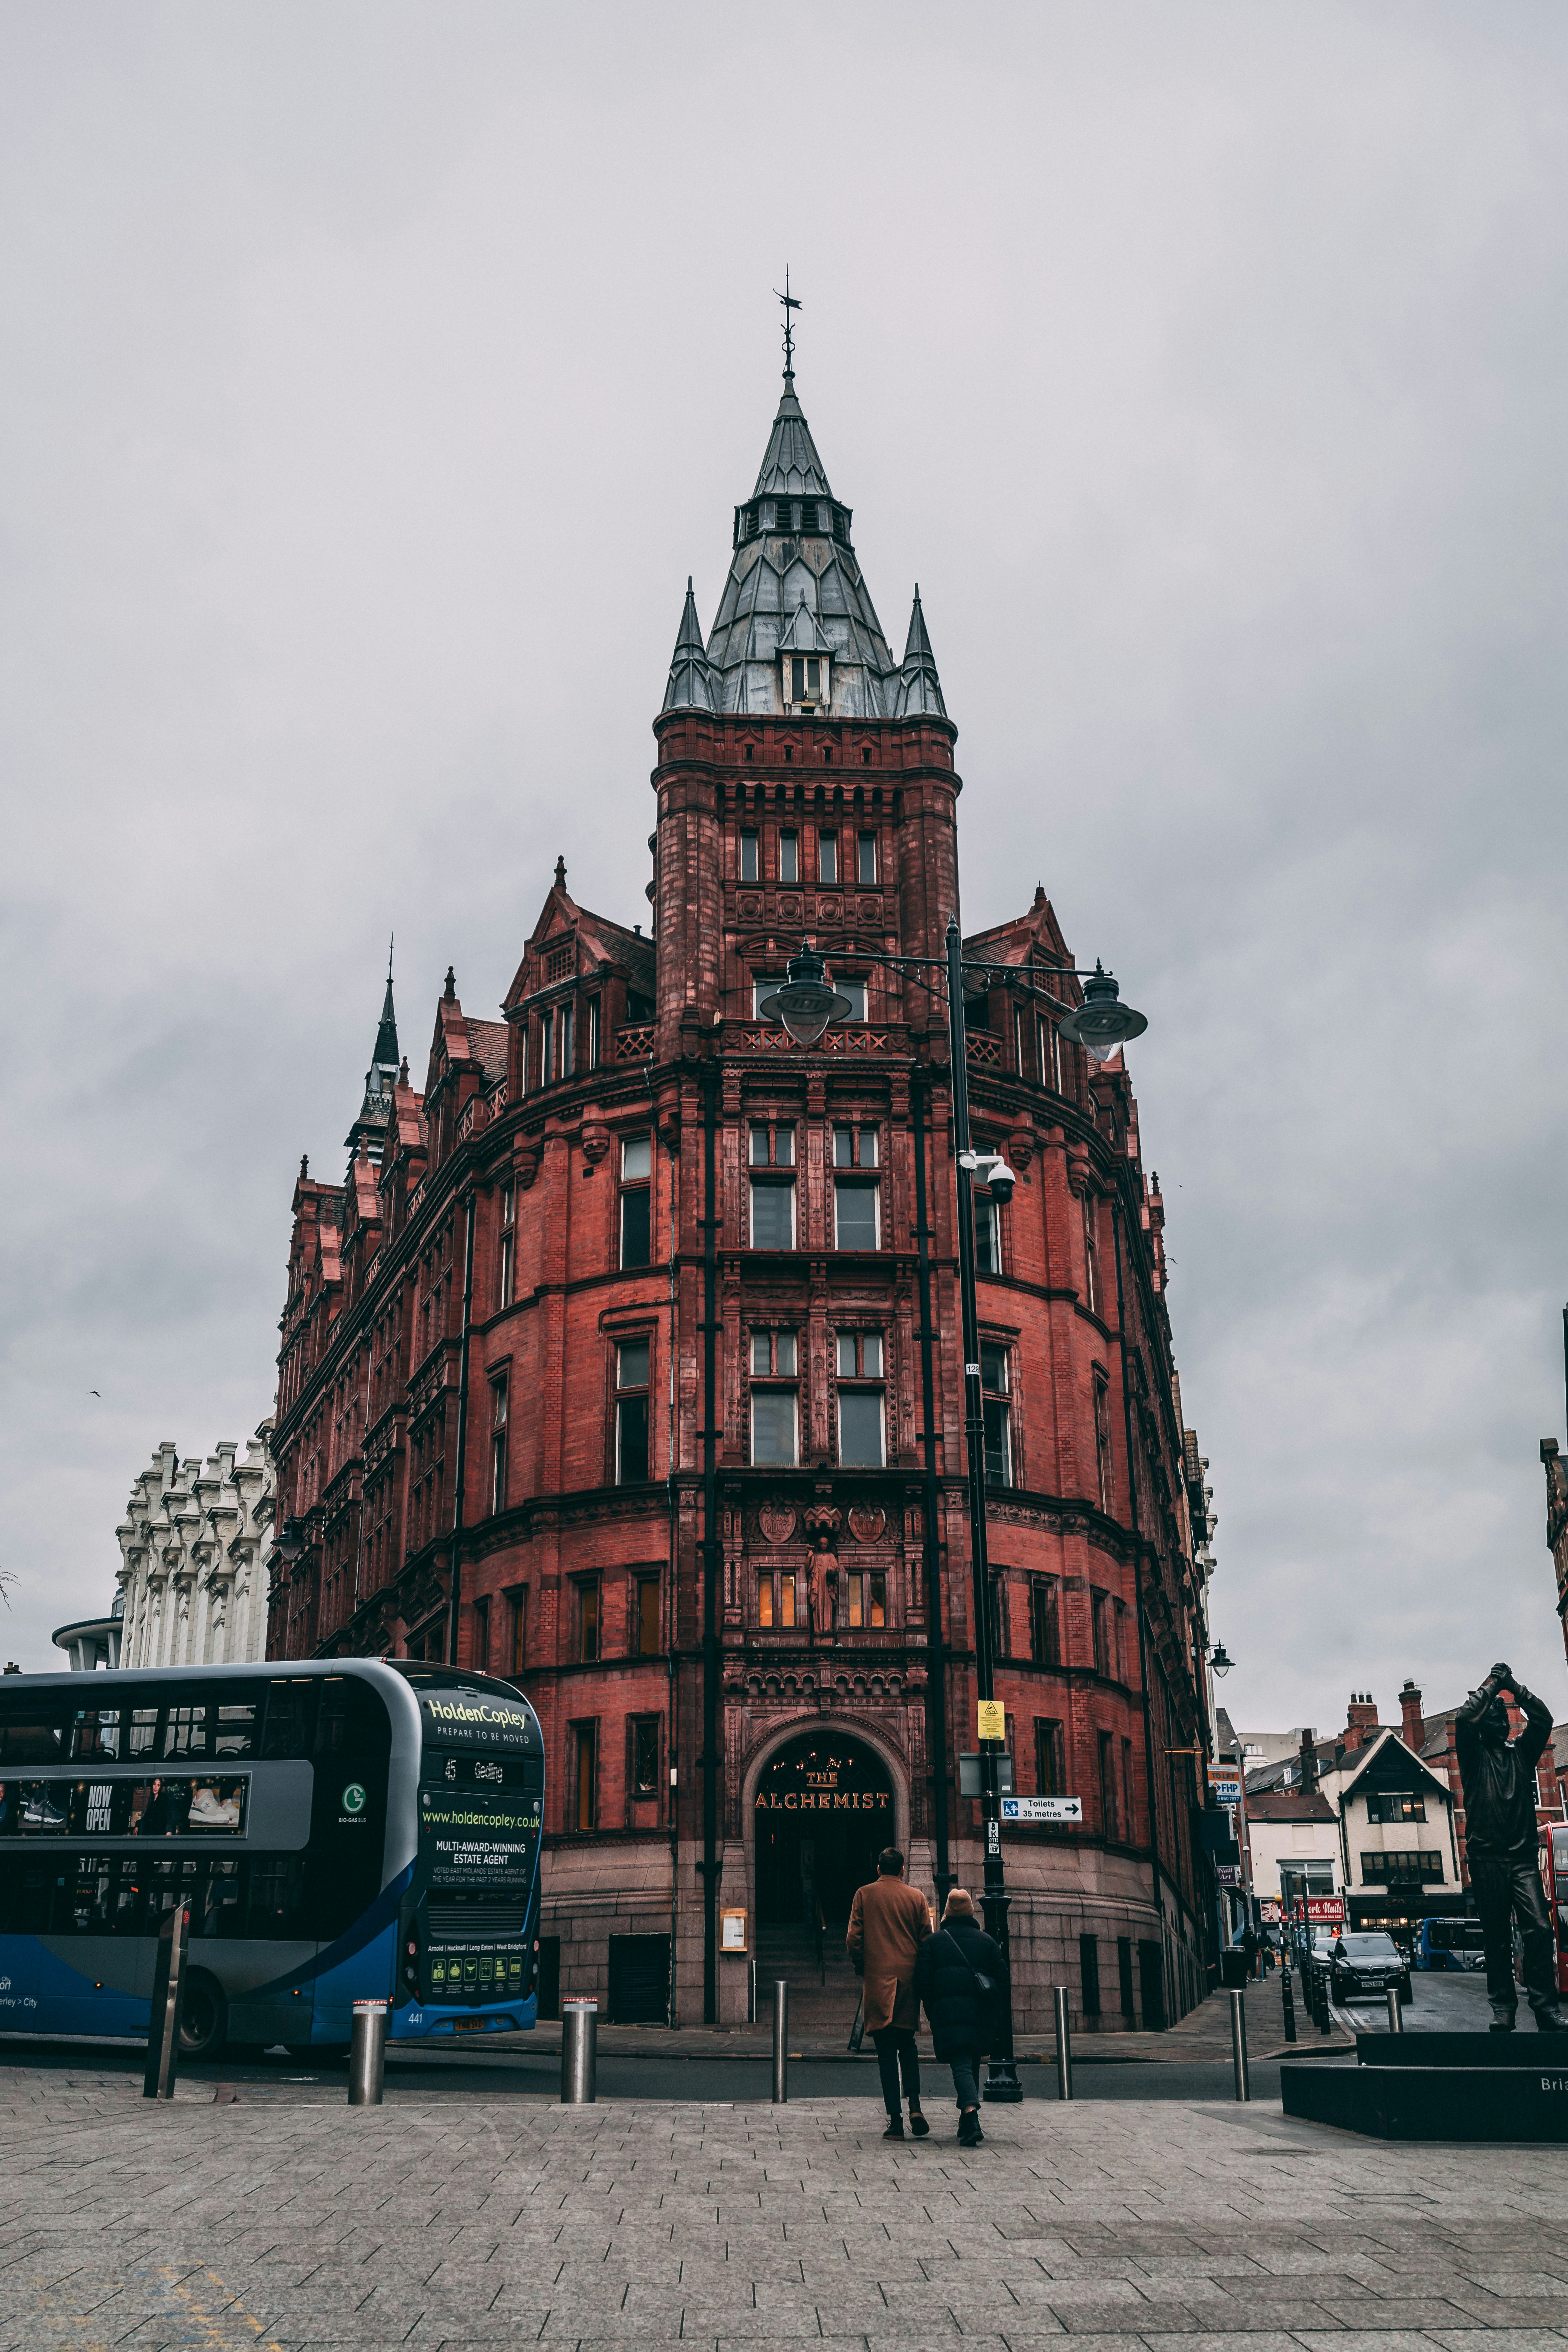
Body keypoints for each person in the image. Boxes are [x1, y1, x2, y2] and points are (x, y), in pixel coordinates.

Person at [1455, 1662, 1567, 2033]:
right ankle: (1502, 2007)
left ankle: (1543, 2007)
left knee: (1538, 1930)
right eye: (1494, 1714)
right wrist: (1492, 1686)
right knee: (1496, 1937)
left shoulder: (1521, 1755)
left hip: (1521, 1860)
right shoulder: (1472, 1757)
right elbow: (1464, 1718)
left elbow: (1544, 1718)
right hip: (1486, 1860)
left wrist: (1512, 1687)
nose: (1499, 1719)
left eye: (1504, 1714)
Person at [846, 1846, 931, 2141]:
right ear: (903, 1870)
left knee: (885, 2053)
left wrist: (863, 1966)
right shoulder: (917, 1897)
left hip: (878, 1979)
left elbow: (853, 1939)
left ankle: (895, 2121)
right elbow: (926, 1940)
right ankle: (916, 2106)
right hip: (908, 1981)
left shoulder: (864, 1894)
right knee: (907, 2045)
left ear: (879, 1870)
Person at [915, 1887, 1006, 2146]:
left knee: (962, 2064)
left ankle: (970, 2114)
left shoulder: (934, 1942)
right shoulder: (987, 1941)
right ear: (970, 1912)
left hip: (948, 2015)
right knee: (971, 2062)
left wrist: (934, 2010)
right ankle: (966, 2124)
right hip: (980, 2015)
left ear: (947, 1913)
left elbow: (922, 1981)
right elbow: (1002, 1981)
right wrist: (993, 2012)